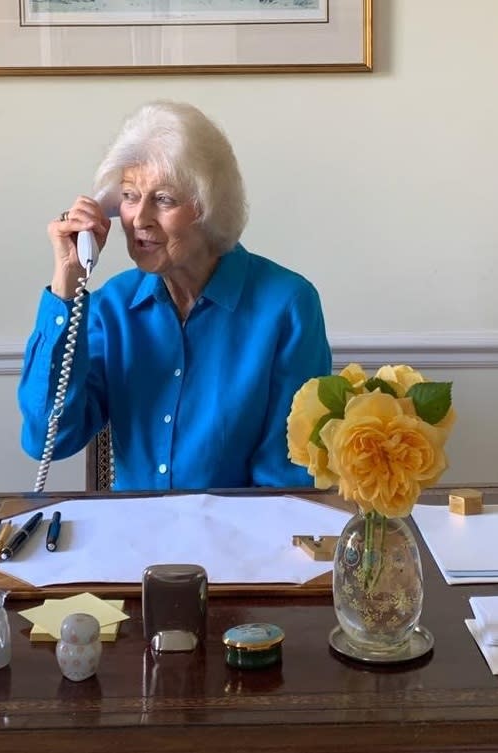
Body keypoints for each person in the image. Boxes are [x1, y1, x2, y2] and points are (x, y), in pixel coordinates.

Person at [18, 100, 331, 491]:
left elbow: (286, 473)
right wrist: (67, 282)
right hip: (132, 537)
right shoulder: (111, 306)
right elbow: (48, 439)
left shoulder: (287, 305)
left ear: (209, 208)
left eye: (164, 199)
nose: (141, 219)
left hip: (240, 538)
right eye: (130, 197)